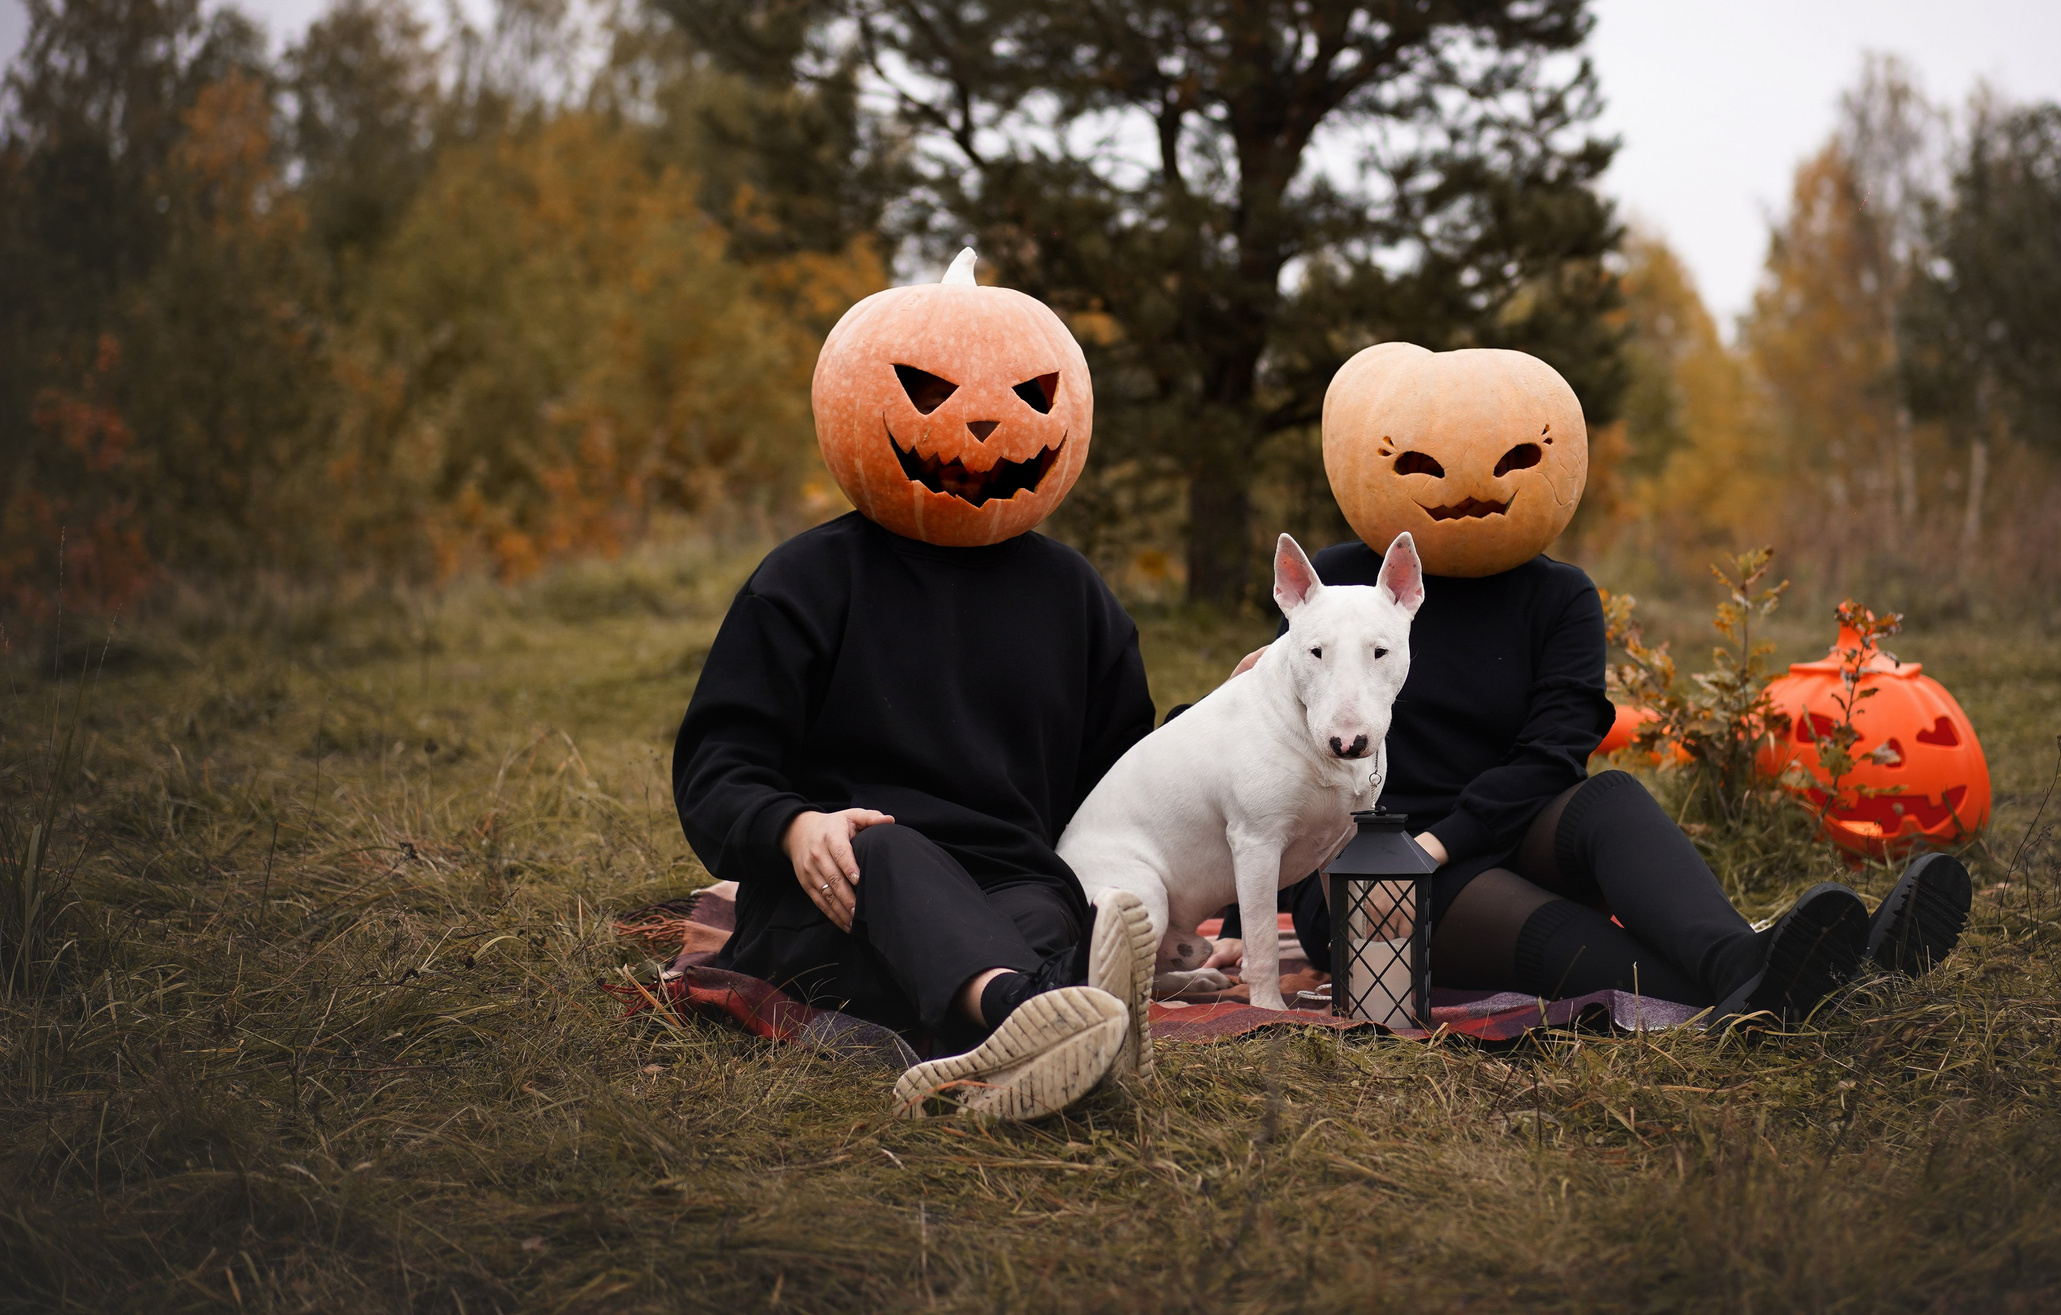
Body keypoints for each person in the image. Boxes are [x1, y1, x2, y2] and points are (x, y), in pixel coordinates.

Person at [1254, 342, 1972, 1024]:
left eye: (1515, 458)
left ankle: (1755, 965)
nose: (1470, 485)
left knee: (1610, 796)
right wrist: (1241, 911)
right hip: (1373, 866)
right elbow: (1257, 743)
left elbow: (1554, 753)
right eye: (1420, 464)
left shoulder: (1560, 596)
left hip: (1503, 829)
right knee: (1563, 935)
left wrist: (1443, 842)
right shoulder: (1338, 584)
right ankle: (1816, 981)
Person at [672, 252, 1159, 1120]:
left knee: (1047, 909)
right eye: (929, 392)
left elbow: (1124, 782)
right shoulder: (806, 582)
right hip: (836, 902)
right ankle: (1032, 1015)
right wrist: (793, 826)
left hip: (1006, 892)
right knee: (888, 848)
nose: (984, 424)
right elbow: (717, 770)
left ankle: (1025, 1021)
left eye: (1031, 395)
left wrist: (1245, 714)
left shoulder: (1074, 597)